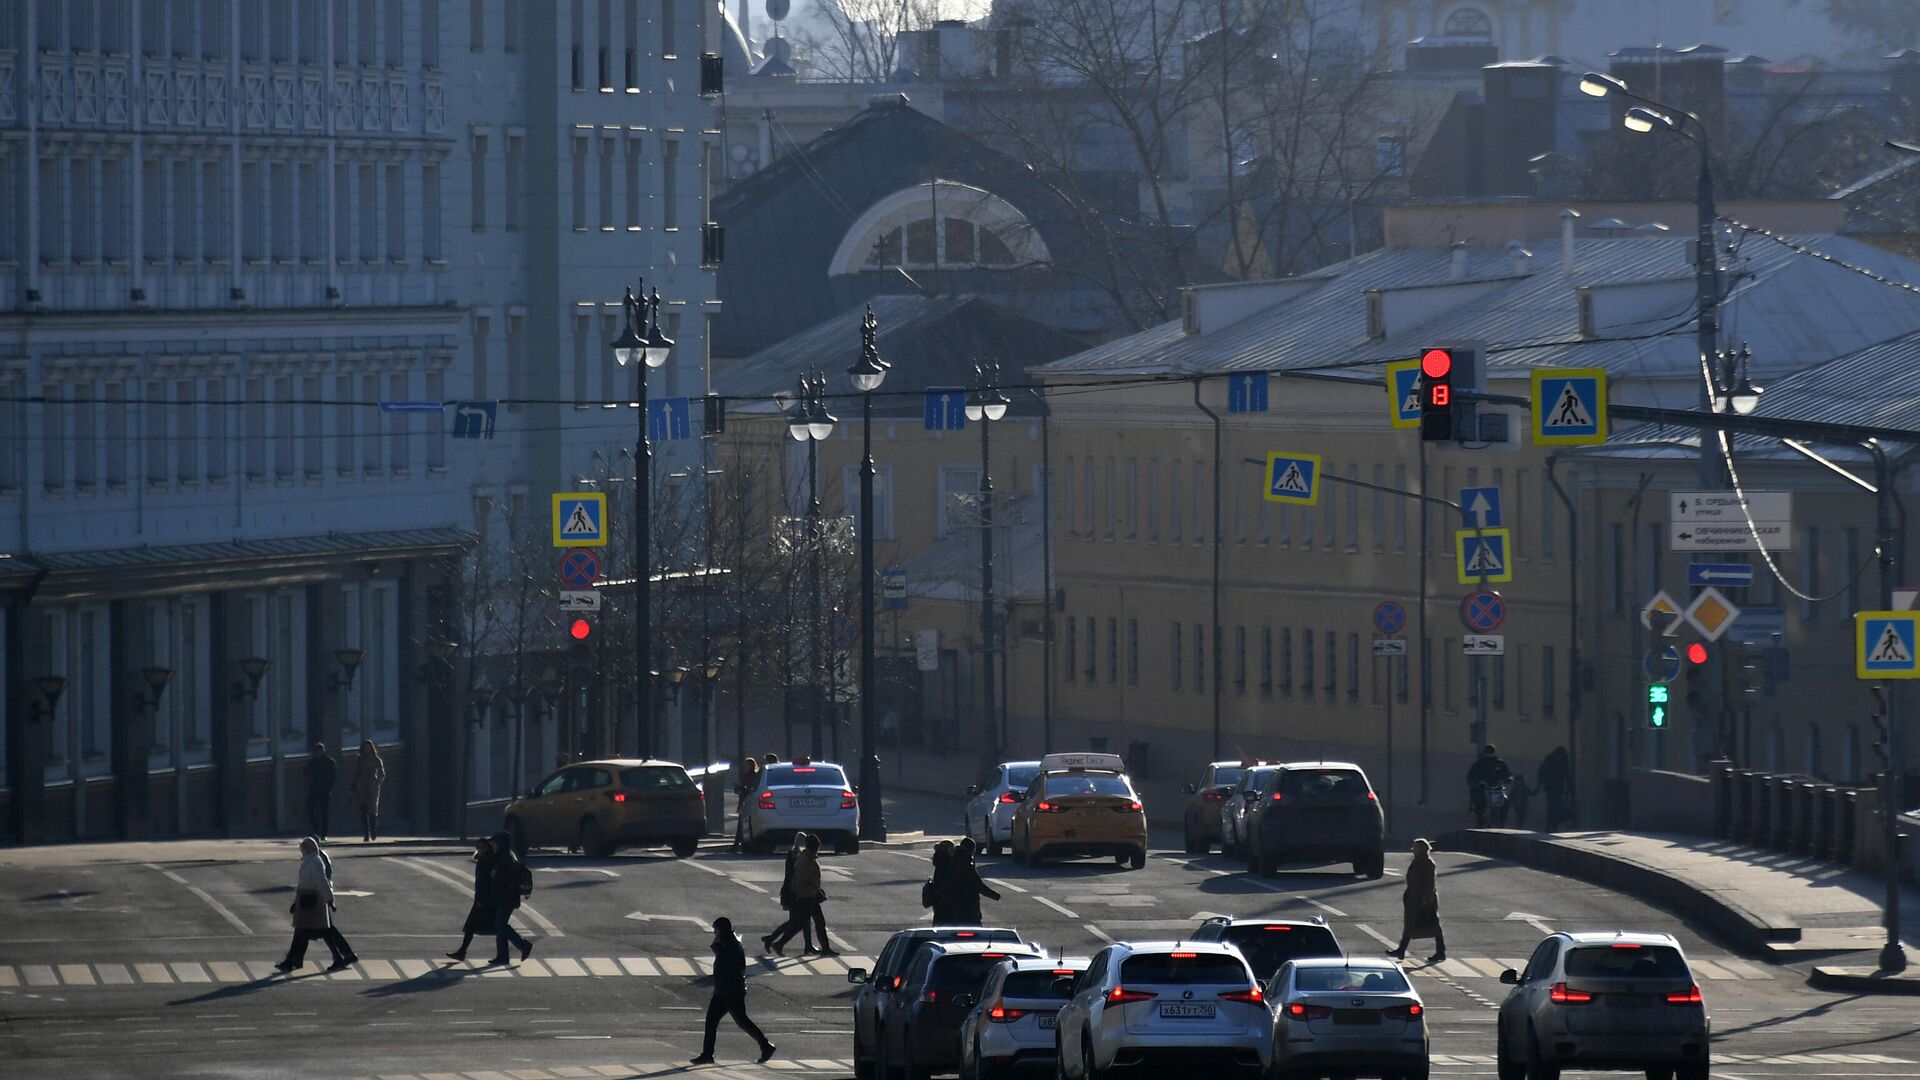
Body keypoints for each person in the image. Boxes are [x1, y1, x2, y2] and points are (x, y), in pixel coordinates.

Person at [690, 917, 776, 1066]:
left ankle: (707, 1054)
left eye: (716, 929)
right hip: (729, 989)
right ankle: (765, 1046)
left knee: (715, 1021)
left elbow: (725, 962)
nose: (714, 933)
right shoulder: (730, 941)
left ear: (721, 930)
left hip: (728, 990)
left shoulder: (730, 944)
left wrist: (716, 947)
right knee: (740, 1020)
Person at [276, 837, 356, 972]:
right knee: (309, 932)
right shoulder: (309, 861)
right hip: (306, 901)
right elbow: (303, 884)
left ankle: (293, 961)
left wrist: (329, 900)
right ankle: (293, 960)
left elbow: (322, 881)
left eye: (303, 849)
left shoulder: (315, 861)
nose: (301, 852)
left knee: (314, 931)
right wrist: (296, 903)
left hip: (314, 902)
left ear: (307, 849)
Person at [1385, 838, 1445, 964]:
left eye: (1415, 847)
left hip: (1422, 899)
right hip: (1414, 898)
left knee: (1432, 925)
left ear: (1422, 849)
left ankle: (1440, 952)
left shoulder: (1426, 863)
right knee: (1411, 925)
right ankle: (1401, 950)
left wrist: (1427, 897)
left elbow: (1430, 882)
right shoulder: (1418, 861)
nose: (1413, 850)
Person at [765, 835, 824, 955]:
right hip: (795, 893)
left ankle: (806, 945)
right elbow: (797, 877)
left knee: (802, 921)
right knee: (797, 922)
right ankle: (773, 940)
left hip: (798, 892)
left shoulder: (798, 856)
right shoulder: (797, 857)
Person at [488, 830, 535, 965]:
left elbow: (508, 878)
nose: (493, 846)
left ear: (501, 844)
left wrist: (495, 874)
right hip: (502, 897)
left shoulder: (506, 859)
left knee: (501, 925)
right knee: (499, 926)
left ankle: (523, 945)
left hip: (507, 898)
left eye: (495, 843)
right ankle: (502, 956)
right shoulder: (503, 856)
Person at [446, 836, 496, 961]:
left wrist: (482, 899)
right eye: (478, 847)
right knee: (472, 927)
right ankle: (462, 952)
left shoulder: (488, 862)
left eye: (482, 847)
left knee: (498, 928)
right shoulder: (482, 861)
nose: (479, 850)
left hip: (486, 900)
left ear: (488, 848)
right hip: (481, 898)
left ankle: (521, 946)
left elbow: (486, 883)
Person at [945, 837, 1001, 924]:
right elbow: (977, 884)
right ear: (971, 850)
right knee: (976, 931)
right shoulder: (966, 862)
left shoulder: (953, 859)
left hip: (953, 903)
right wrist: (995, 896)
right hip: (968, 903)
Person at [1466, 744, 1512, 827]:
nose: (1490, 757)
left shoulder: (1500, 763)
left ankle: (1502, 822)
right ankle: (1479, 821)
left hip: (1497, 788)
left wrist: (1508, 779)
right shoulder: (1479, 764)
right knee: (1478, 799)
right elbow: (1471, 776)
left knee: (1505, 801)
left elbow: (1507, 774)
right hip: (1483, 788)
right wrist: (1476, 782)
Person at [351, 739, 386, 842]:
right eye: (365, 747)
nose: (367, 750)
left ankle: (373, 831)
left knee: (372, 811)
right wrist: (355, 784)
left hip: (372, 788)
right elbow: (356, 773)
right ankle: (366, 833)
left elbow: (382, 773)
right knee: (363, 810)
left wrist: (377, 782)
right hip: (361, 787)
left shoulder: (376, 759)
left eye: (368, 747)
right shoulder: (360, 760)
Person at [305, 742, 338, 840]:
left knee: (324, 812)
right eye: (317, 751)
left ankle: (324, 833)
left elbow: (334, 775)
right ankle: (316, 831)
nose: (319, 753)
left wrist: (329, 786)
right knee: (311, 810)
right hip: (314, 789)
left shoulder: (329, 762)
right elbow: (306, 774)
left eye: (321, 750)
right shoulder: (312, 763)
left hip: (325, 790)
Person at [1537, 746, 1571, 830]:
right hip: (1551, 786)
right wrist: (1542, 783)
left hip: (1557, 787)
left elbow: (1566, 774)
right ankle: (1550, 825)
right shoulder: (1549, 761)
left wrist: (1568, 788)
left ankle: (1553, 825)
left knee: (1555, 806)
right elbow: (1542, 772)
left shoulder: (1562, 761)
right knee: (1552, 806)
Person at [734, 756, 763, 852]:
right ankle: (737, 844)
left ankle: (737, 845)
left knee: (743, 825)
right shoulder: (751, 775)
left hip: (748, 802)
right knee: (742, 825)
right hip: (746, 801)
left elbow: (747, 790)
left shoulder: (752, 775)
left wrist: (742, 790)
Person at [925, 840, 956, 922]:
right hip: (947, 897)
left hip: (938, 898)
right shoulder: (948, 862)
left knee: (939, 919)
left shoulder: (939, 861)